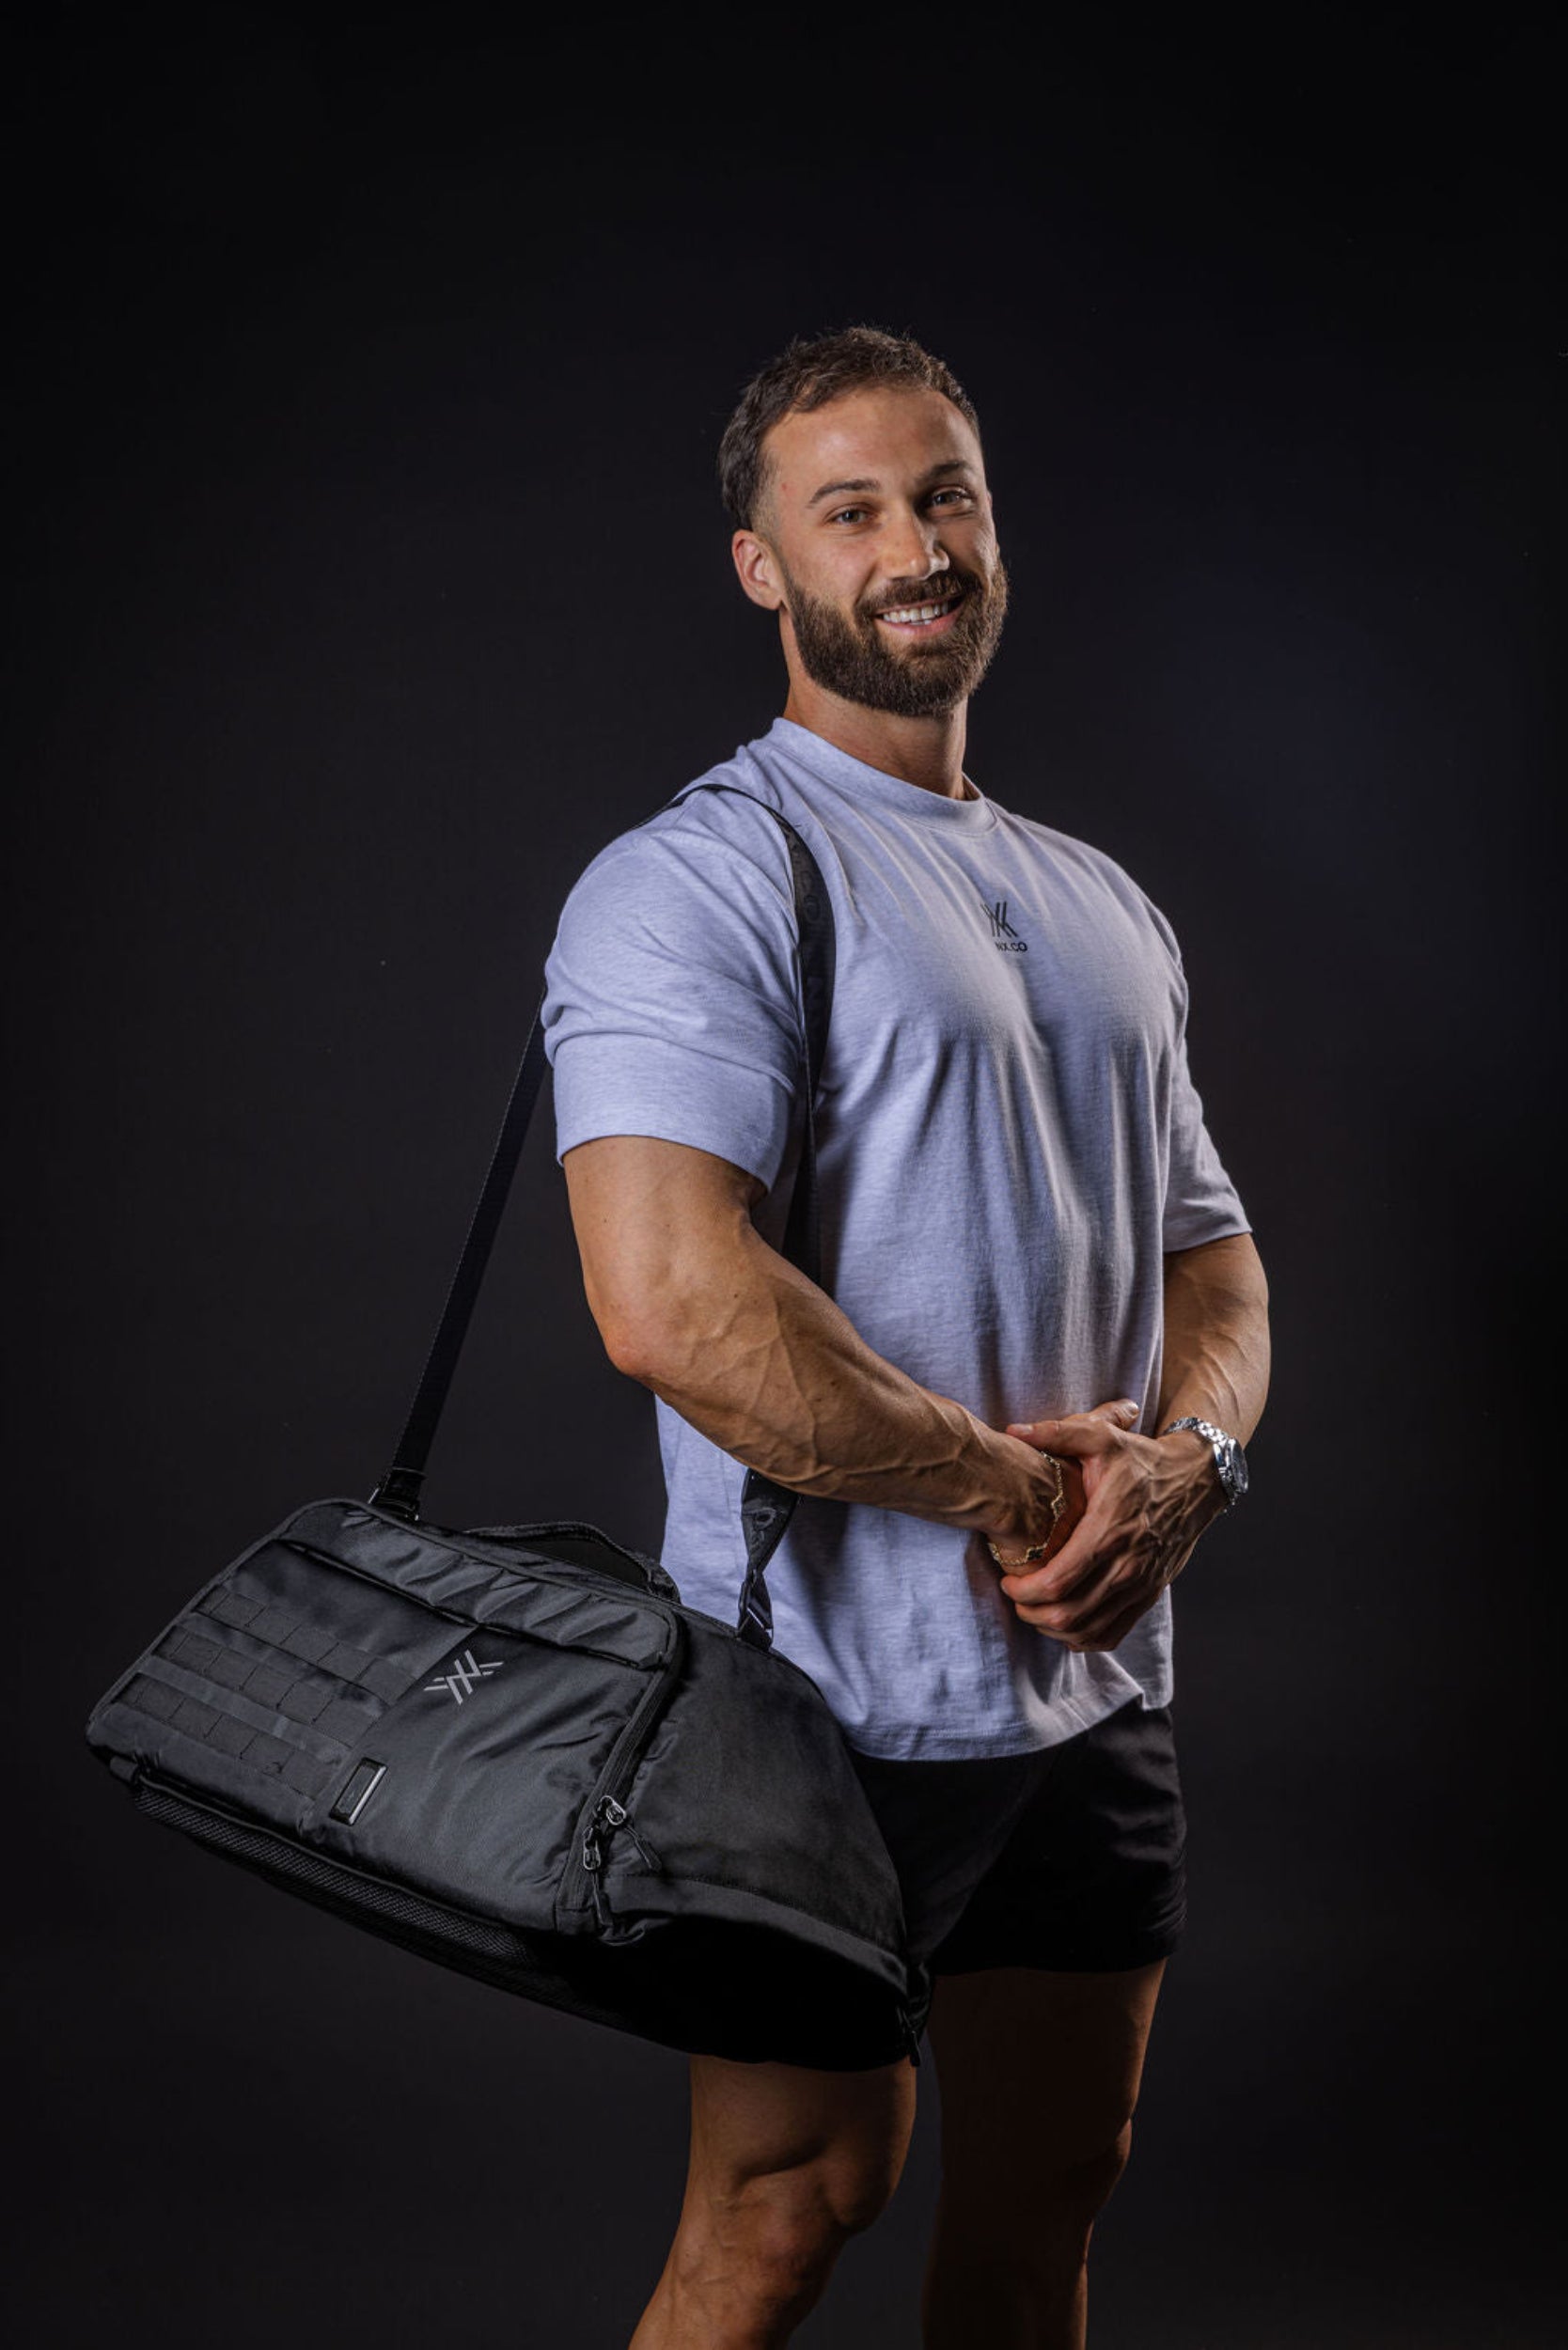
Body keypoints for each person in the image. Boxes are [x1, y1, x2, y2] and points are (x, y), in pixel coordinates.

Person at [541, 326, 1271, 2350]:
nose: (915, 546)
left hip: (1095, 1690)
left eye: (944, 494)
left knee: (1050, 2197)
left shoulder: (1098, 895)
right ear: (765, 568)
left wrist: (1188, 1463)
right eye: (849, 509)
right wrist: (1026, 1485)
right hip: (820, 1705)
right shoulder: (697, 877)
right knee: (789, 2208)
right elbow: (668, 1298)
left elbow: (1218, 1263)